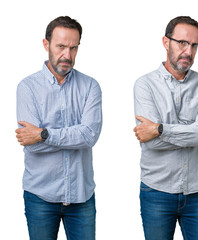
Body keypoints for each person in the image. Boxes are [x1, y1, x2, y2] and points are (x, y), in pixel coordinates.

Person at [15, 16, 102, 240]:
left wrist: (44, 134)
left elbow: (89, 136)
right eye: (61, 46)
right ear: (46, 45)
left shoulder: (90, 86)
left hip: (81, 198)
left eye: (73, 48)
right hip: (40, 197)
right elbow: (31, 146)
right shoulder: (27, 88)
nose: (67, 55)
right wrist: (71, 137)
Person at [133, 16, 198, 240]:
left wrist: (160, 128)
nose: (188, 51)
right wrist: (197, 133)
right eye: (182, 43)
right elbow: (150, 141)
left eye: (194, 45)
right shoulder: (145, 85)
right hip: (156, 191)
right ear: (166, 42)